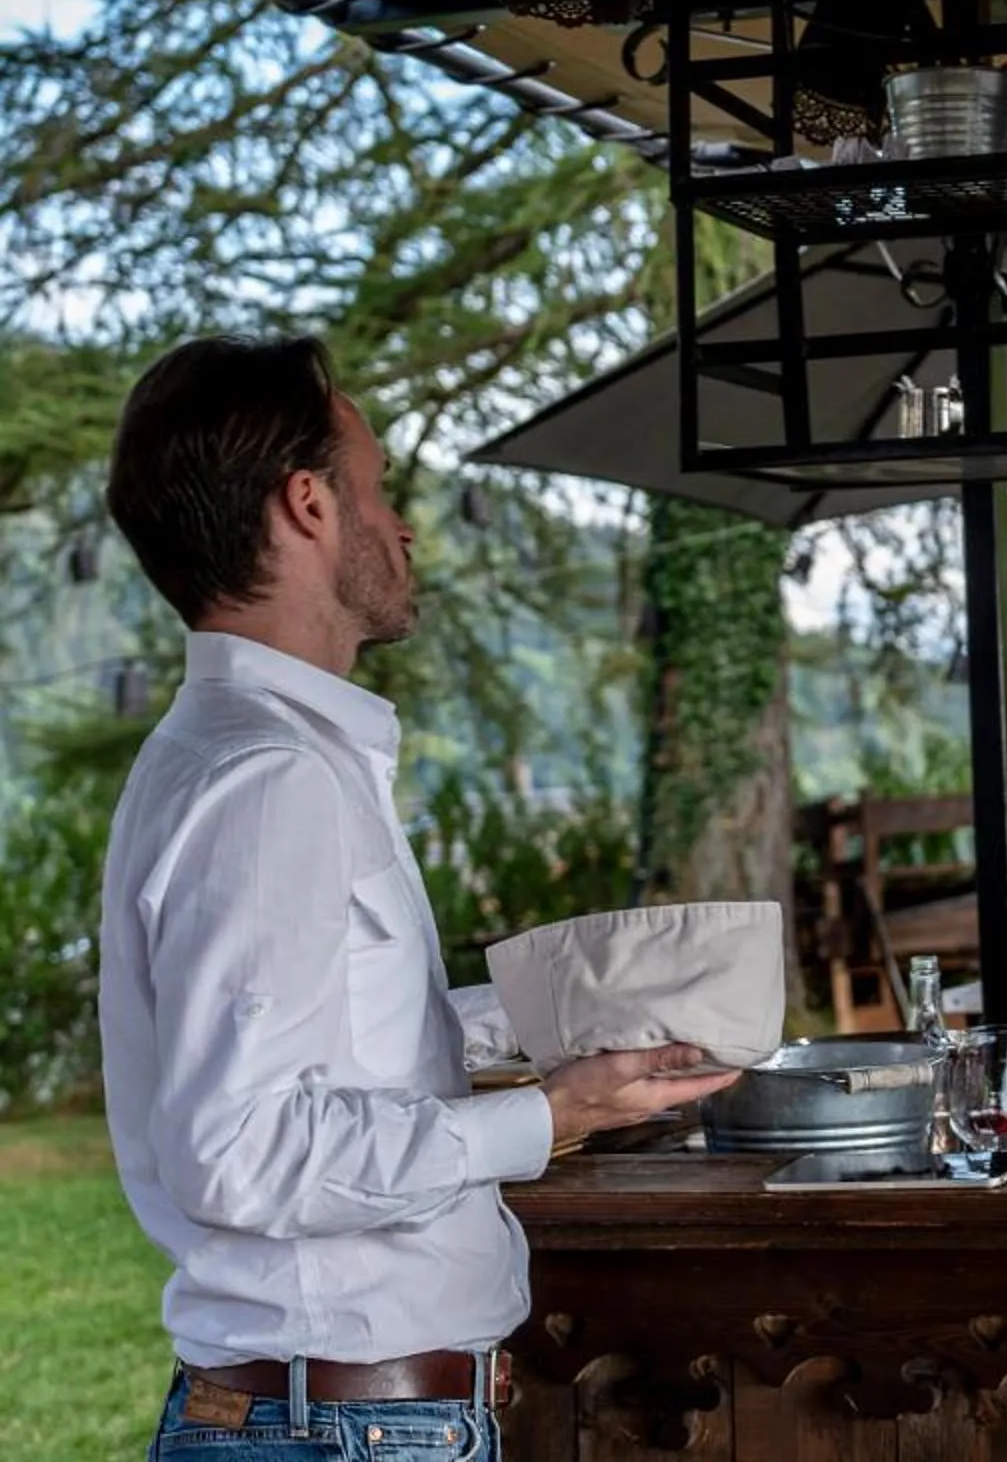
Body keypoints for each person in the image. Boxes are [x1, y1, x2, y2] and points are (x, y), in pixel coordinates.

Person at [98, 336, 743, 1459]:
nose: (402, 525)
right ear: (307, 504)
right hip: (338, 1425)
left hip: (335, 1416)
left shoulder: (239, 750)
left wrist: (553, 1024)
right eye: (378, 484)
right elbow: (243, 1147)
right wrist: (552, 1115)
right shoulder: (269, 776)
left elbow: (334, 1043)